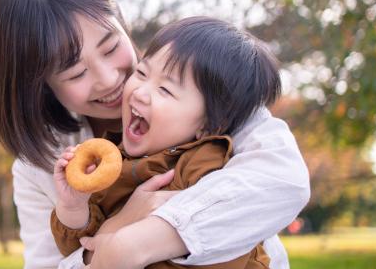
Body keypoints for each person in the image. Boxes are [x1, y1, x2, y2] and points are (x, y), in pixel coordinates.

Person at [0, 0, 310, 269]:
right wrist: (121, 224)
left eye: (111, 47)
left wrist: (144, 238)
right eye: (75, 73)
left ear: (122, 24)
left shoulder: (208, 87)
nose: (109, 79)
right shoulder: (42, 165)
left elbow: (282, 180)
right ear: (40, 85)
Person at [51, 16, 284, 268]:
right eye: (142, 73)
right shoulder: (114, 161)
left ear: (208, 125)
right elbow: (82, 248)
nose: (139, 92)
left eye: (166, 90)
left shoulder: (204, 167)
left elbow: (221, 245)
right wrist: (73, 207)